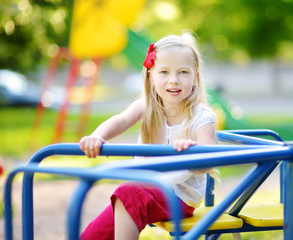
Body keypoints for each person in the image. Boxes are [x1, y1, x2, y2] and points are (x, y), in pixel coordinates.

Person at [79, 31, 217, 240]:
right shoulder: (147, 106)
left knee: (128, 192)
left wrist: (192, 154)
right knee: (91, 235)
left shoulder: (201, 117)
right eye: (164, 72)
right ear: (150, 76)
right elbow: (121, 120)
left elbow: (209, 159)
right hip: (141, 190)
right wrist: (97, 136)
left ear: (196, 78)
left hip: (178, 197)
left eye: (183, 72)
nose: (174, 80)